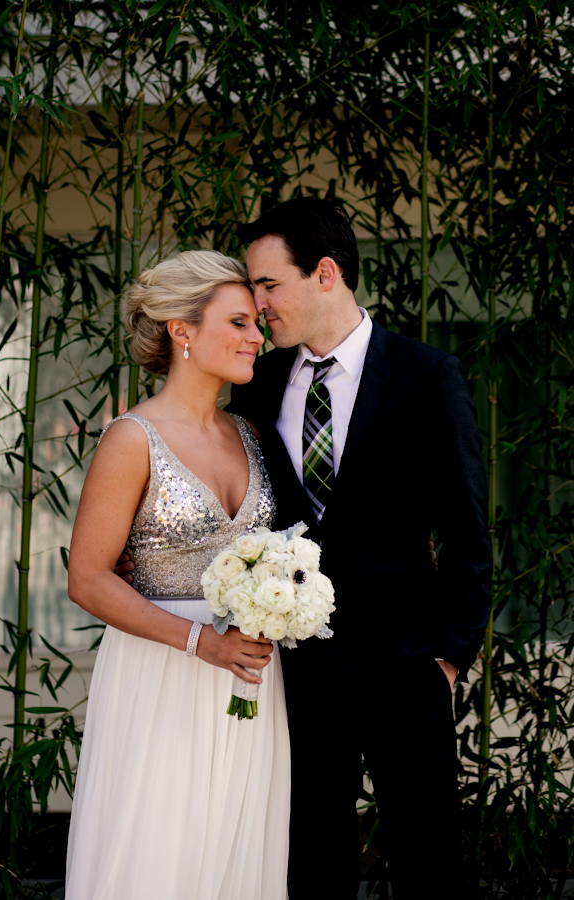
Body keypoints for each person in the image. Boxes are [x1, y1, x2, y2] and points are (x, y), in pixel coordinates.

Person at [227, 197, 493, 900]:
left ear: (325, 273)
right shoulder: (255, 389)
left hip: (408, 662)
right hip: (301, 670)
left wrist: (447, 656)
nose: (256, 307)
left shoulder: (427, 375)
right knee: (310, 858)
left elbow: (468, 530)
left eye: (266, 285)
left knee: (427, 855)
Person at [65, 250, 291, 900]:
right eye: (240, 321)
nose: (257, 336)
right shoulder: (132, 437)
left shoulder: (251, 433)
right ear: (181, 330)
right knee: (154, 856)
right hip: (160, 676)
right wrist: (202, 643)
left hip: (250, 680)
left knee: (240, 859)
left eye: (258, 323)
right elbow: (87, 578)